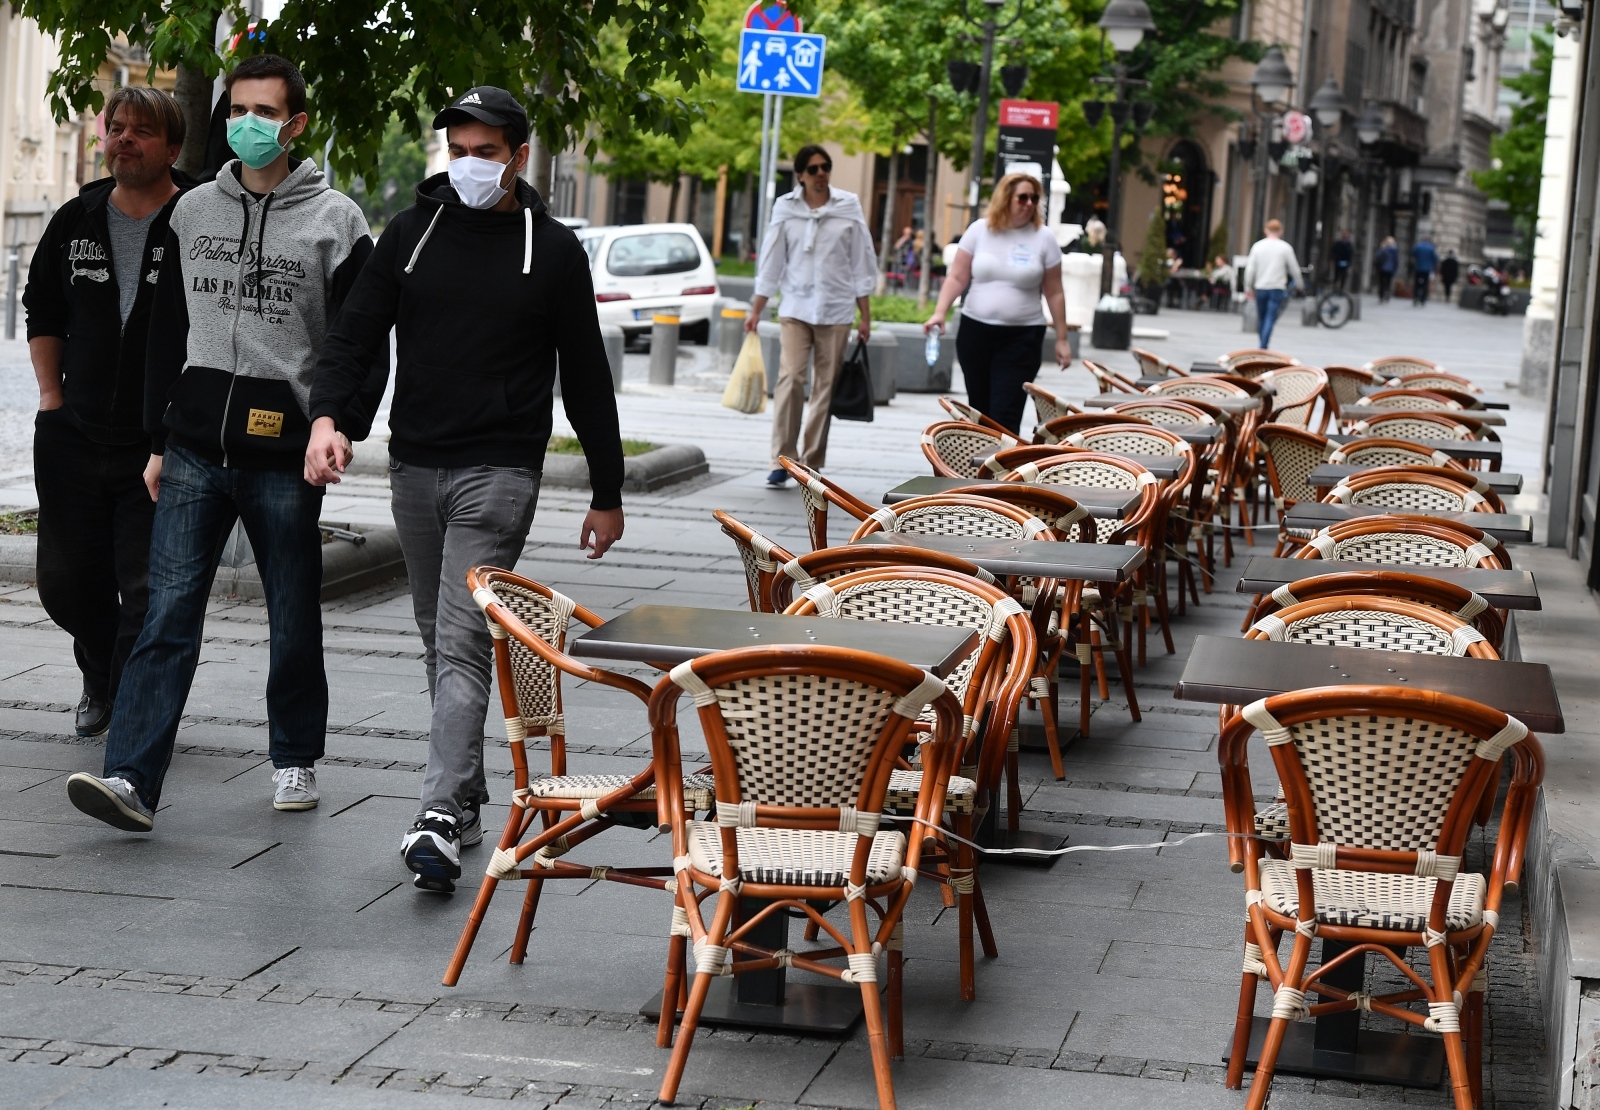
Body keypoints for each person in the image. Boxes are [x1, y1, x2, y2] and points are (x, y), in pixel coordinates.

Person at [306, 87, 626, 893]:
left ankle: (439, 815)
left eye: (487, 152)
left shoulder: (551, 251)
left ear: (519, 156)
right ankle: (470, 792)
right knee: (436, 636)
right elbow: (353, 334)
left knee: (457, 638)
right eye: (459, 150)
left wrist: (607, 488)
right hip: (416, 467)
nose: (471, 165)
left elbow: (586, 375)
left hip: (500, 471)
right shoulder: (411, 234)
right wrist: (329, 418)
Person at [64, 54, 385, 832]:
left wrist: (336, 423)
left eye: (265, 112)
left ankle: (295, 755)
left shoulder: (338, 222)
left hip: (285, 455)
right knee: (167, 610)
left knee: (292, 610)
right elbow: (163, 334)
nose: (248, 124)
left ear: (296, 123)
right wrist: (156, 438)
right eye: (238, 109)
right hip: (195, 446)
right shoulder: (193, 211)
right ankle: (132, 779)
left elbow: (361, 341)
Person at [23, 87, 193, 741]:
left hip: (162, 442)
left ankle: (132, 711)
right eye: (116, 127)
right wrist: (50, 399)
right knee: (65, 583)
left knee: (148, 590)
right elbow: (43, 310)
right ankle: (100, 672)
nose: (123, 139)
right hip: (72, 433)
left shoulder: (200, 219)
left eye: (141, 130)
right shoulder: (78, 217)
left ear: (172, 148)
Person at [747, 145, 876, 487]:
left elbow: (861, 261)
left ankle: (811, 463)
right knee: (790, 379)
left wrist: (866, 316)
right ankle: (783, 458)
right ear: (801, 175)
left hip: (836, 309)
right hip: (795, 308)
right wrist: (757, 309)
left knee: (825, 387)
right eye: (814, 169)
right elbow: (772, 260)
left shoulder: (848, 206)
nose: (822, 174)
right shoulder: (785, 208)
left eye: (826, 167)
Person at [922, 172, 1070, 432]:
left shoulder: (1043, 237)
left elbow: (1055, 291)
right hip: (976, 331)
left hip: (1022, 337)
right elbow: (957, 277)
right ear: (1005, 198)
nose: (1029, 203)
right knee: (979, 410)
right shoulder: (979, 230)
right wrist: (939, 313)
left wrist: (1061, 338)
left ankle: (1002, 470)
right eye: (1022, 197)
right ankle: (980, 472)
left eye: (1034, 198)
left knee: (1006, 411)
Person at [1242, 218, 1301, 349]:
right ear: (1280, 231)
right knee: (1270, 317)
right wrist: (1300, 283)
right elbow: (1294, 269)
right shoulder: (1285, 248)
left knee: (1262, 317)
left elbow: (1250, 268)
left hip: (1261, 287)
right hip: (1277, 287)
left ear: (1266, 230)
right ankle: (1264, 345)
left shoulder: (1257, 246)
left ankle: (1262, 343)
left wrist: (1247, 286)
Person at [1412, 235, 1438, 306]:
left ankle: (1416, 297)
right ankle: (1423, 299)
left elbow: (1413, 254)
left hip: (1418, 267)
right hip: (1427, 269)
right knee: (1425, 284)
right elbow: (1435, 259)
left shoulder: (1418, 246)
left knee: (1417, 283)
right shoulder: (1431, 248)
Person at [1375, 236, 1398, 303]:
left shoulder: (1383, 248)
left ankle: (1381, 296)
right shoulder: (1394, 249)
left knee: (1382, 282)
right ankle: (1387, 294)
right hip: (1390, 269)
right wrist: (1395, 268)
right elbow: (1396, 260)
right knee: (1388, 282)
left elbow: (1378, 257)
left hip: (1382, 268)